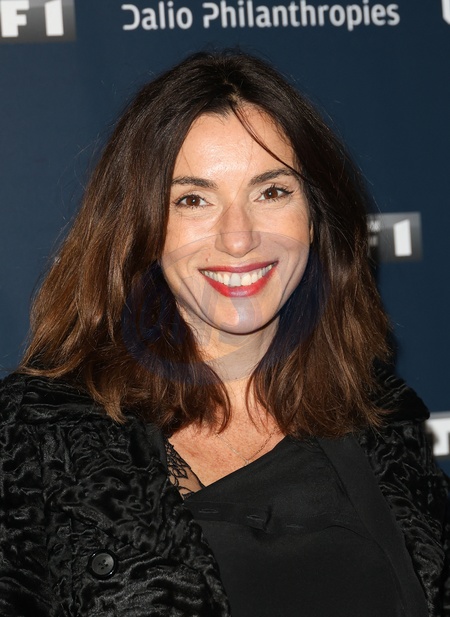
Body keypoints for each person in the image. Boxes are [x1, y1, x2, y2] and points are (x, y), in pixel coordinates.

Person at [0, 50, 448, 617]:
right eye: (194, 199)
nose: (239, 237)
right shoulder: (35, 437)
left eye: (271, 192)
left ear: (316, 216)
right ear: (141, 226)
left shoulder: (380, 411)